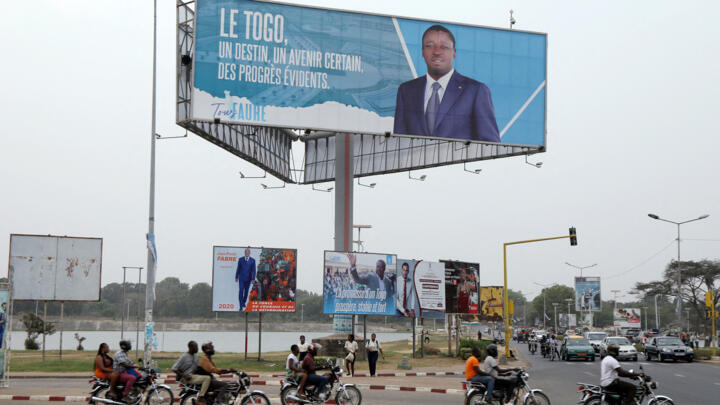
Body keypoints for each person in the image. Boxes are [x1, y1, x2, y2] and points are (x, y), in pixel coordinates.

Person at [393, 24, 500, 143]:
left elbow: (490, 145)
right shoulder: (406, 91)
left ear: (454, 53)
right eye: (430, 46)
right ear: (422, 52)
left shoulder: (476, 91)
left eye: (443, 47)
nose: (437, 52)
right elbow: (399, 142)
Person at [172, 341, 211, 405]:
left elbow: (197, 367)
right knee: (207, 378)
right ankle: (201, 397)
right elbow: (174, 368)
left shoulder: (195, 356)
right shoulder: (184, 356)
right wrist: (184, 376)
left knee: (208, 378)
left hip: (193, 376)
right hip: (187, 378)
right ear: (190, 347)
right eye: (196, 347)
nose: (197, 349)